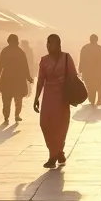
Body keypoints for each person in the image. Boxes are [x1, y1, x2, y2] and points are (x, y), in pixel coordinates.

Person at [34, 34, 76, 168]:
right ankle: (56, 151)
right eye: (47, 43)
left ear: (58, 44)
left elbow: (73, 76)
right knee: (45, 124)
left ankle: (55, 154)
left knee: (61, 126)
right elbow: (40, 79)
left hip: (62, 97)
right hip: (48, 96)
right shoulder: (44, 60)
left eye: (50, 43)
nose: (48, 46)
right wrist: (36, 97)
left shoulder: (66, 58)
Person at [0, 34, 33, 124]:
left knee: (6, 99)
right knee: (18, 99)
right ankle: (16, 115)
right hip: (18, 79)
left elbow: (0, 64)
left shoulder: (5, 51)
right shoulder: (20, 52)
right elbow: (25, 66)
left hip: (7, 78)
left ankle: (6, 116)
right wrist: (28, 77)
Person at [79, 34, 101, 105]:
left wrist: (80, 69)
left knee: (89, 85)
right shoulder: (100, 48)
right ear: (97, 40)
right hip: (97, 71)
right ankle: (97, 99)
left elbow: (82, 59)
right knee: (98, 85)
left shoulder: (84, 48)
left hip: (87, 70)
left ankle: (91, 99)